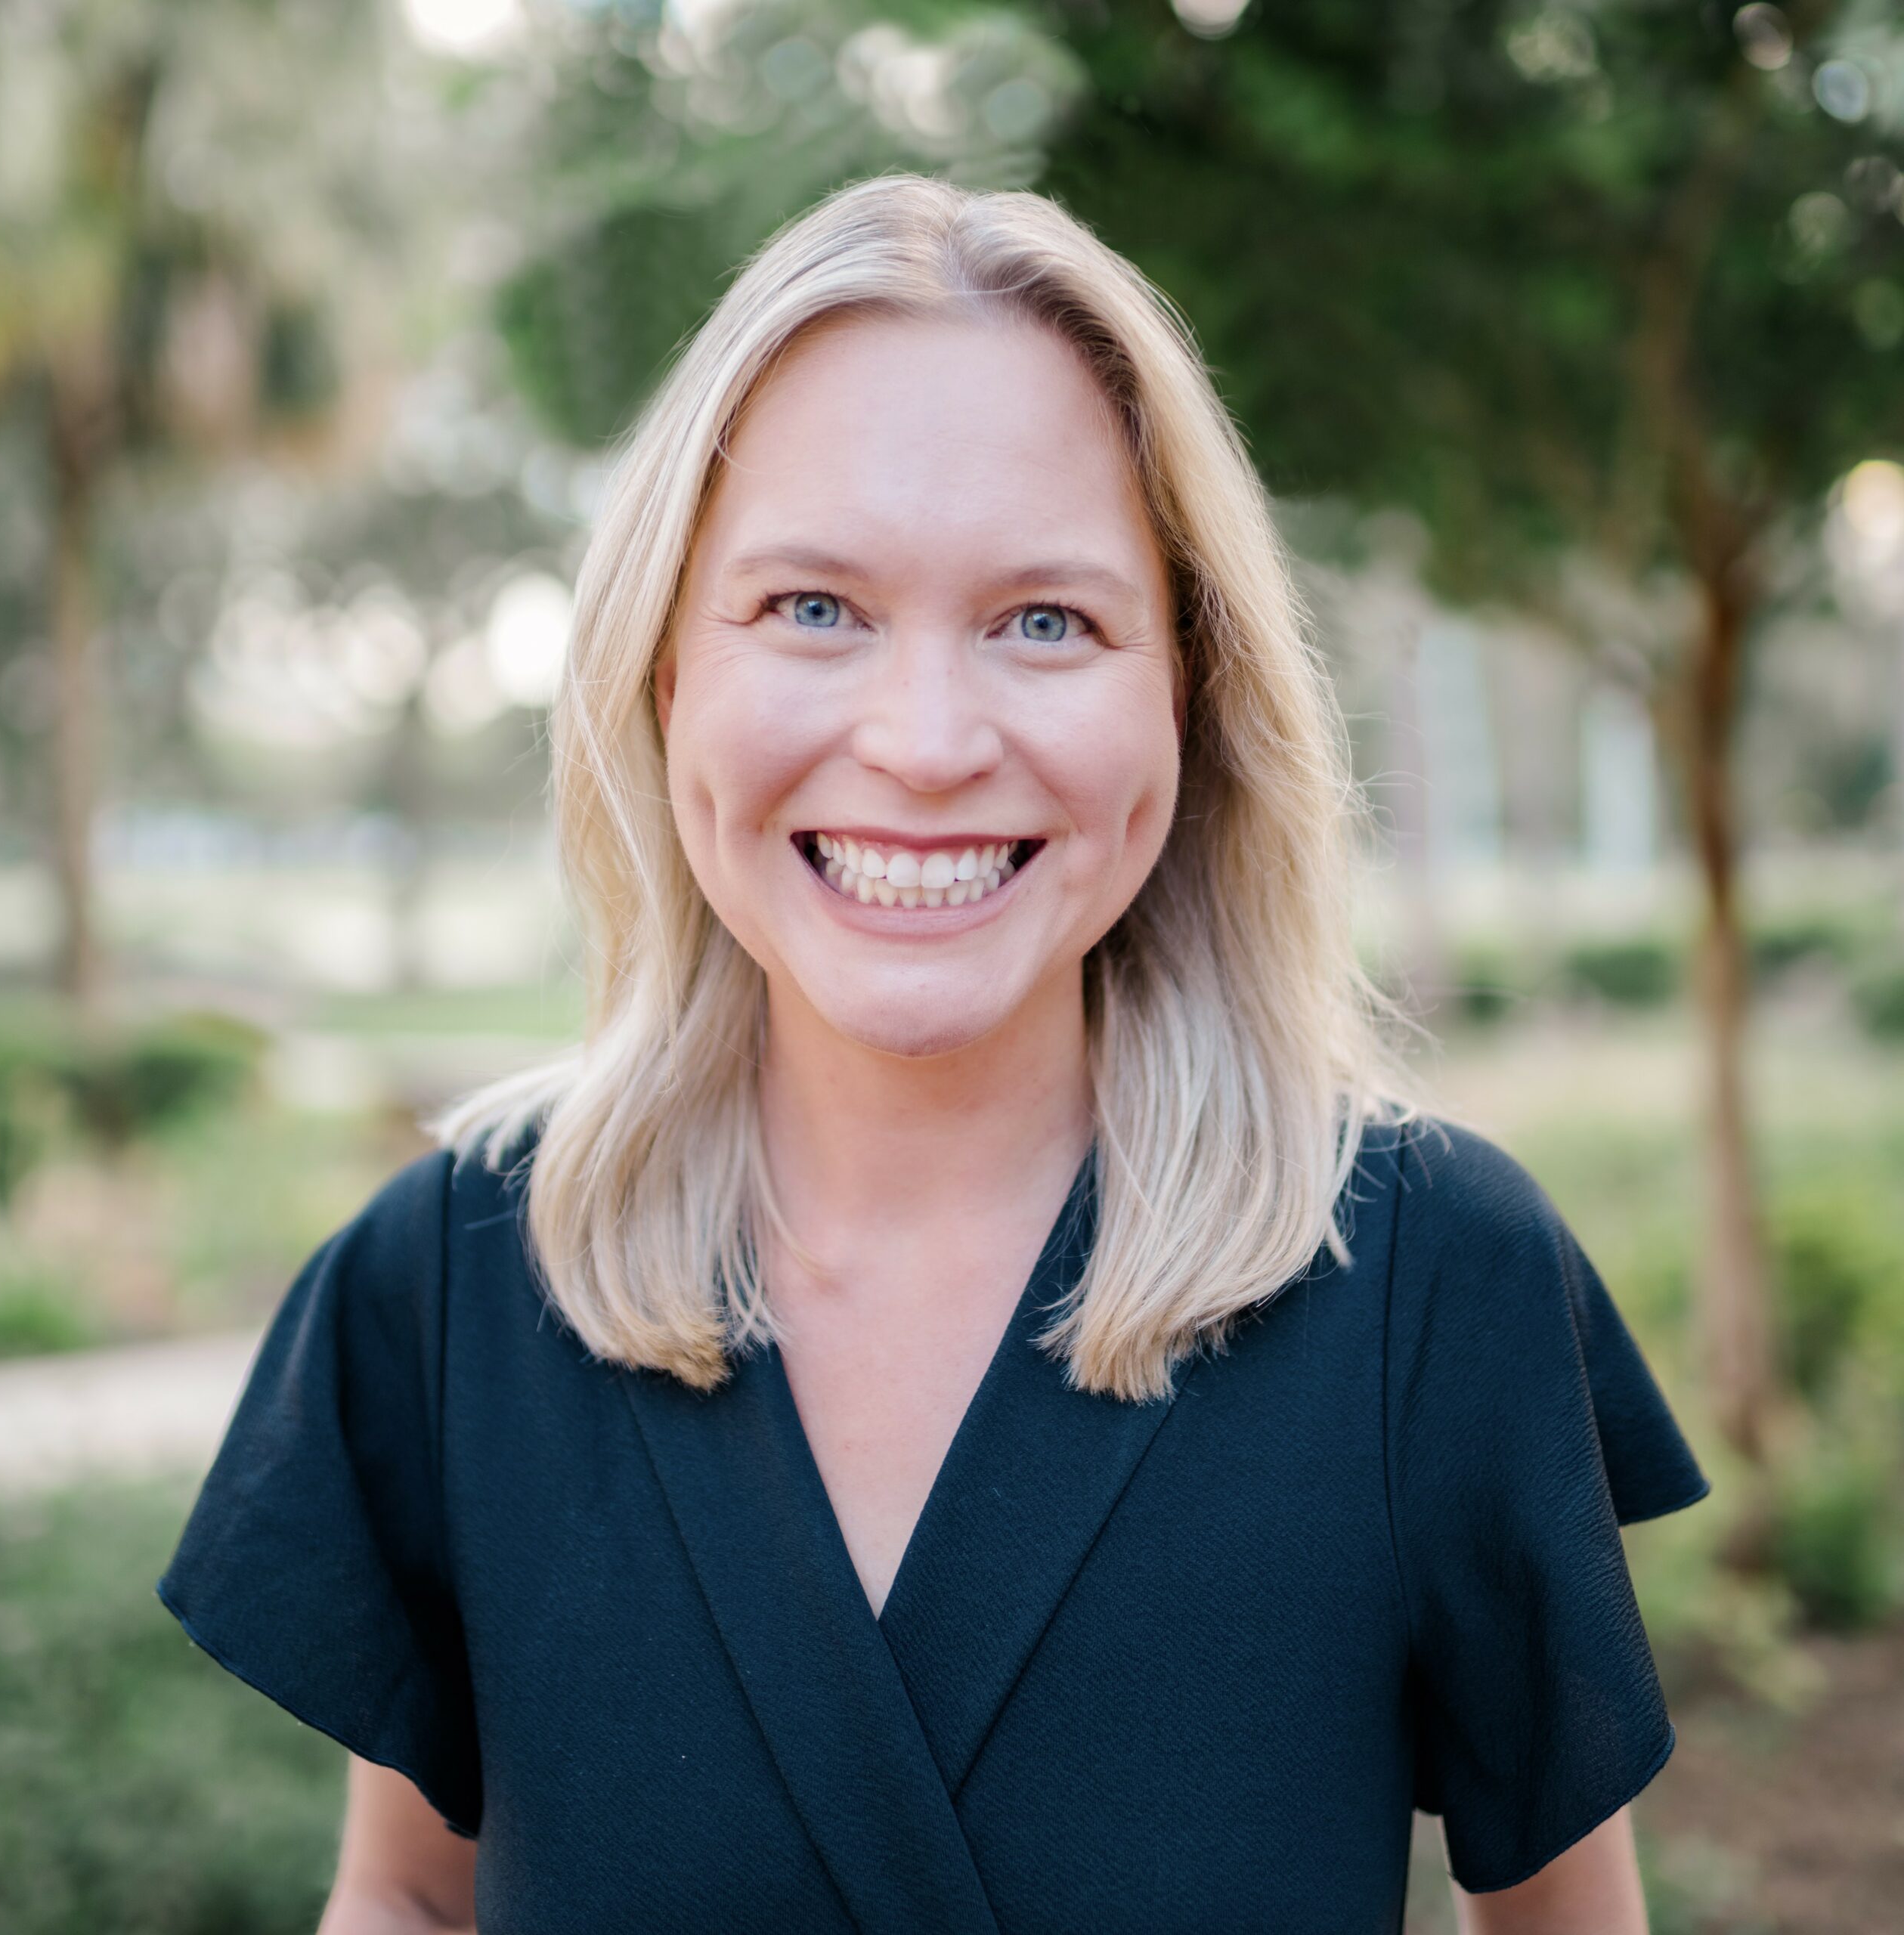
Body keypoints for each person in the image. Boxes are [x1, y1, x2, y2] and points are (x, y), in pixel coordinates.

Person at [159, 175, 1711, 1934]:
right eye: (811, 606)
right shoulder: (442, 1287)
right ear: (667, 669)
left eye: (1044, 620)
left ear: (1181, 697)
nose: (920, 741)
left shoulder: (1429, 1282)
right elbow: (407, 1903)